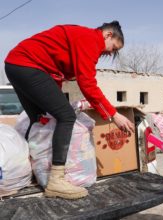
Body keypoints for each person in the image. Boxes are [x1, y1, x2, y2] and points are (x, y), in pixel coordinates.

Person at [4, 21, 134, 200]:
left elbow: (53, 73)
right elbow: (87, 84)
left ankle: (30, 167)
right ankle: (56, 180)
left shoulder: (80, 37)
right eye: (113, 48)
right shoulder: (91, 39)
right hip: (28, 66)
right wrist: (113, 114)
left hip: (15, 65)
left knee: (39, 117)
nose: (110, 53)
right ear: (108, 35)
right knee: (66, 116)